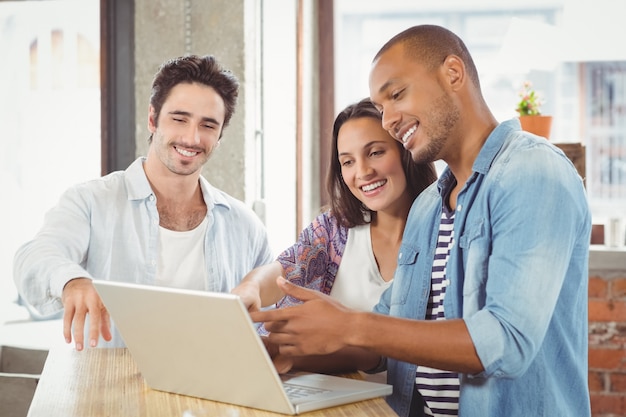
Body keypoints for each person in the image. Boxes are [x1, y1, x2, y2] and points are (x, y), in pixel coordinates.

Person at [250, 25, 592, 417]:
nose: (390, 119)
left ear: (453, 73)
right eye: (382, 108)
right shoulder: (428, 207)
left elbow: (507, 340)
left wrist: (352, 325)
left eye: (397, 94)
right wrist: (283, 349)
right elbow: (385, 336)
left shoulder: (532, 172)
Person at [13, 54, 274, 351]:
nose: (192, 137)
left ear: (220, 136)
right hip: (111, 391)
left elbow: (270, 317)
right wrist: (73, 281)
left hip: (211, 394)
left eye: (208, 126)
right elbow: (33, 258)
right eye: (179, 119)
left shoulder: (244, 225)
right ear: (153, 119)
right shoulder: (91, 201)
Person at [233, 97, 436, 333]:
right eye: (348, 162)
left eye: (375, 152)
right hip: (326, 372)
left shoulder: (445, 230)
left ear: (405, 150)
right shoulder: (333, 230)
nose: (363, 172)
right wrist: (251, 286)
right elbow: (285, 271)